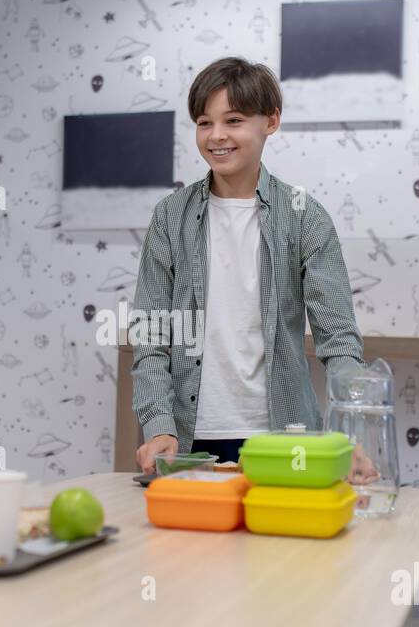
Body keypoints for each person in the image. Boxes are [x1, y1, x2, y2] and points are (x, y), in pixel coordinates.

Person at [131, 56, 372, 477]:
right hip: (186, 440)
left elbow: (339, 343)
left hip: (281, 439)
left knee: (282, 543)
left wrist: (350, 435)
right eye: (204, 123)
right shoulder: (171, 216)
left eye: (234, 120)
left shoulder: (305, 216)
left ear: (271, 121)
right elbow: (151, 337)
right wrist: (158, 426)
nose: (216, 136)